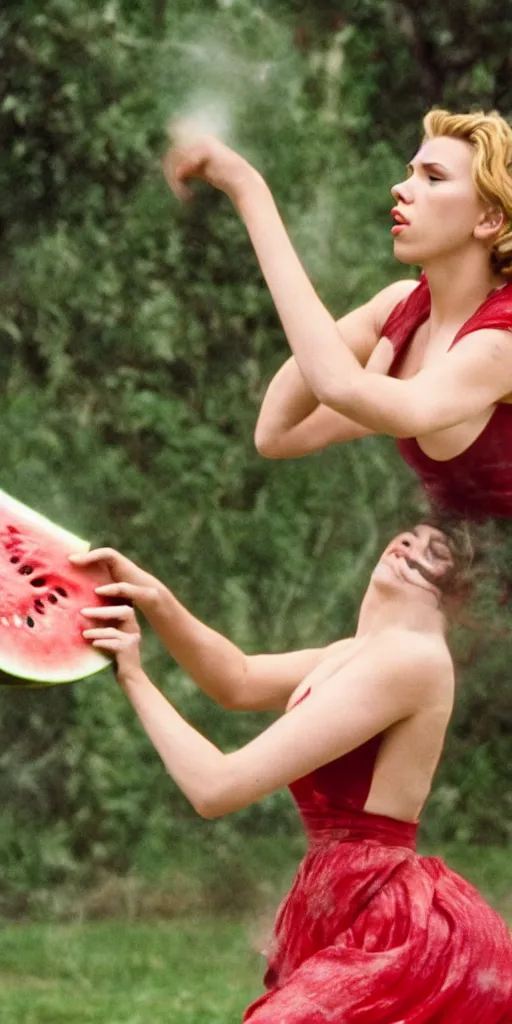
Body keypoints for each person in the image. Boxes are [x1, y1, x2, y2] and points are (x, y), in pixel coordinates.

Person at [70, 522, 512, 1022]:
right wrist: (151, 595)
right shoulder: (348, 654)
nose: (410, 546)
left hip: (390, 919)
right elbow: (235, 679)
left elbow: (216, 787)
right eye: (410, 535)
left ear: (459, 592)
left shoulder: (410, 658)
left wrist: (133, 674)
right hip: (344, 894)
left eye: (438, 553)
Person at [163, 109, 512, 519]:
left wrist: (248, 190)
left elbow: (339, 386)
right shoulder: (401, 310)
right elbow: (277, 433)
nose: (401, 189)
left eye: (433, 178)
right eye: (410, 173)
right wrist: (366, 389)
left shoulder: (501, 340)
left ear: (490, 218)